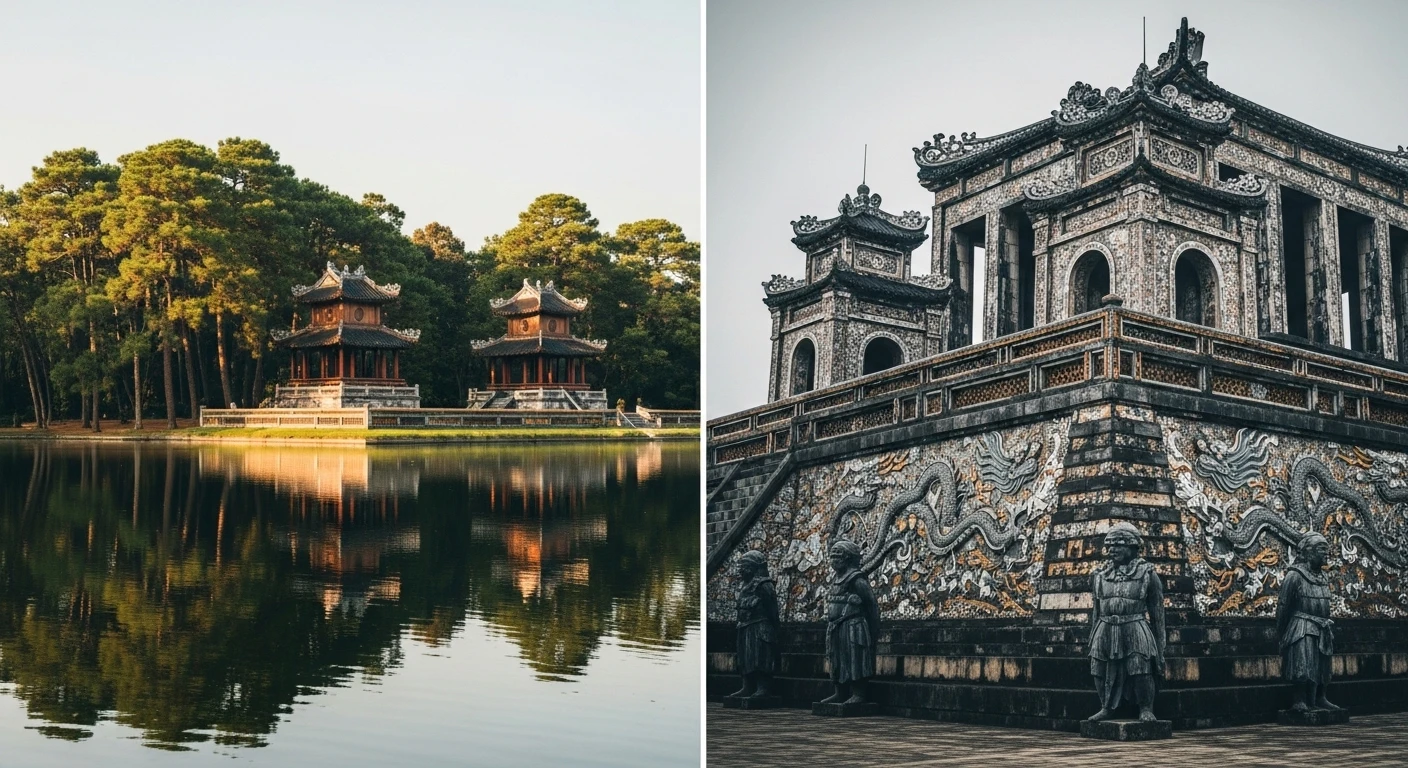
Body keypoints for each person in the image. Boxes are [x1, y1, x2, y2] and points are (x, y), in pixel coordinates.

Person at [1087, 522, 1166, 723]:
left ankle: (1146, 708)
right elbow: (1096, 610)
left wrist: (1160, 648)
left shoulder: (1147, 574)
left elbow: (1157, 615)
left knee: (1140, 666)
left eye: (1118, 545)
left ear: (1132, 547)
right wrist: (1093, 636)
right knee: (1098, 667)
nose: (1112, 550)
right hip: (1105, 626)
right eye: (1109, 546)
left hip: (1135, 624)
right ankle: (1105, 706)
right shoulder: (1099, 576)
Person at [1276, 533, 1340, 712]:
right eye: (1321, 550)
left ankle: (1320, 697)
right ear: (1309, 552)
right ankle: (1300, 699)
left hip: (1322, 626)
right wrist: (1281, 633)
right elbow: (1283, 605)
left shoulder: (1323, 576)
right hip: (1302, 626)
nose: (1326, 554)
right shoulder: (1295, 576)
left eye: (1327, 550)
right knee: (1303, 664)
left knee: (1322, 665)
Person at [819, 540, 879, 705]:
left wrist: (874, 633)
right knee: (837, 658)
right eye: (832, 557)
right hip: (837, 627)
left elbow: (872, 606)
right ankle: (840, 691)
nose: (834, 561)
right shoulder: (837, 579)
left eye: (838, 557)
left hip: (853, 626)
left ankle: (858, 693)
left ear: (848, 558)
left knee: (854, 659)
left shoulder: (857, 579)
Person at [729, 550, 781, 698]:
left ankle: (763, 687)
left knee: (760, 657)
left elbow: (772, 611)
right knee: (745, 658)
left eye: (744, 567)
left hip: (760, 627)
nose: (741, 570)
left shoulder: (764, 585)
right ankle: (747, 685)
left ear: (753, 568)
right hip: (745, 626)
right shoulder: (745, 586)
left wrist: (775, 629)